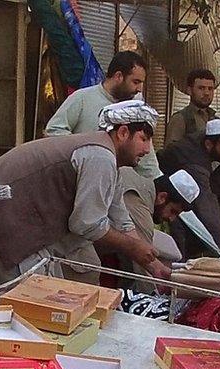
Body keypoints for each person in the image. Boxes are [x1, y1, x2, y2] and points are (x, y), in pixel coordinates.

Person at [0, 100, 171, 288]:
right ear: (123, 133)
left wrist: (154, 266)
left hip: (18, 227)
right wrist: (132, 247)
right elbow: (87, 223)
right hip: (5, 223)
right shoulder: (100, 157)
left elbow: (120, 216)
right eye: (143, 139)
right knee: (19, 307)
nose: (147, 149)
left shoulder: (109, 160)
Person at [44, 51, 163, 283]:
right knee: (83, 265)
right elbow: (54, 131)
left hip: (105, 190)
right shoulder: (85, 104)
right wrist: (81, 154)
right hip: (71, 192)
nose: (138, 89)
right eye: (135, 81)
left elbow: (120, 212)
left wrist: (151, 261)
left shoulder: (122, 144)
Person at [157, 118, 220, 254]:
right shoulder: (196, 162)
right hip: (163, 202)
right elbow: (206, 203)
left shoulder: (203, 141)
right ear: (208, 144)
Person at [164, 69, 217, 146]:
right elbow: (171, 152)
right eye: (201, 88)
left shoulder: (215, 119)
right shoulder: (180, 119)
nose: (206, 93)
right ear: (189, 90)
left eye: (210, 89)